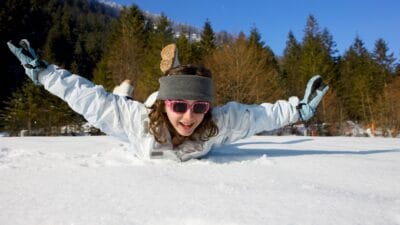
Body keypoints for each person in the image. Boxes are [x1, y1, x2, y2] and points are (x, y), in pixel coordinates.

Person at [7, 39, 329, 162]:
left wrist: (298, 110)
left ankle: (174, 72)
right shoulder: (137, 120)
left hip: (162, 98)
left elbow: (260, 116)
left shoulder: (218, 123)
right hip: (136, 122)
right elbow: (89, 98)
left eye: (199, 107)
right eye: (179, 106)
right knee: (114, 106)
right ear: (166, 105)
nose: (189, 117)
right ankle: (132, 88)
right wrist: (44, 73)